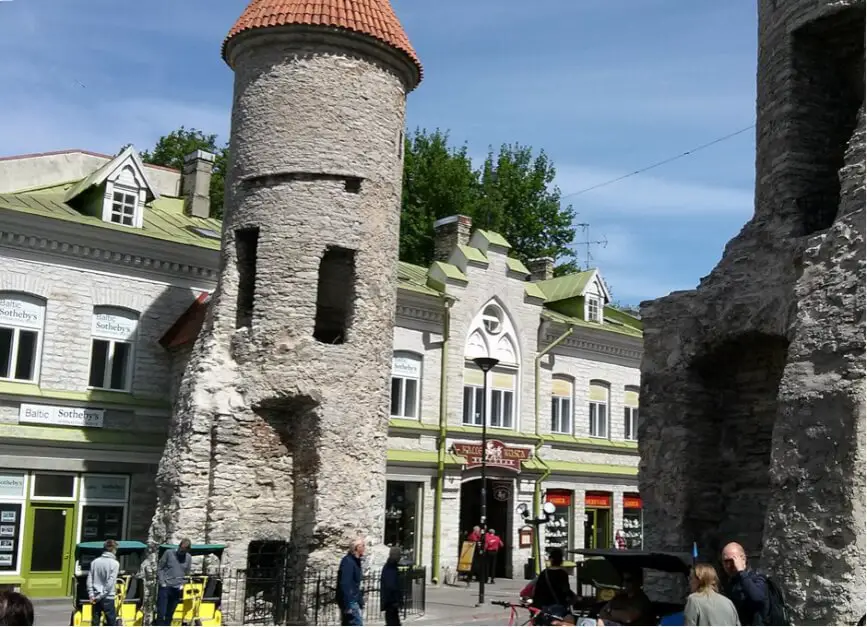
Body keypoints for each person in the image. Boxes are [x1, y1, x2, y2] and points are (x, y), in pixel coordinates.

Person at [721, 542, 767, 626]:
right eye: (725, 562)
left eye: (731, 561)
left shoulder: (757, 577)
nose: (728, 566)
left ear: (743, 559)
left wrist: (741, 572)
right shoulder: (729, 581)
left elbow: (757, 598)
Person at [530, 548, 575, 626]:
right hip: (558, 607)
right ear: (561, 560)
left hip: (543, 607)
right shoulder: (562, 574)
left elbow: (537, 592)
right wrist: (574, 597)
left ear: (550, 559)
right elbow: (565, 590)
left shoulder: (544, 573)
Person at [155, 538, 192, 626]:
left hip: (177, 588)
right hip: (165, 587)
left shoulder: (188, 557)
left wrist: (182, 584)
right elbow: (160, 568)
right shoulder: (168, 553)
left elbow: (187, 573)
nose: (181, 552)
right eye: (180, 550)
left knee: (170, 613)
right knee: (161, 613)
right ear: (179, 546)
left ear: (187, 550)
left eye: (183, 552)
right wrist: (162, 582)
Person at [86, 539, 119, 627]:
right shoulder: (115, 563)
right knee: (111, 621)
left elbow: (90, 579)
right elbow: (110, 582)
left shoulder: (94, 562)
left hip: (95, 596)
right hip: (108, 596)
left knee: (95, 621)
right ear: (114, 550)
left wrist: (91, 594)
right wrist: (102, 595)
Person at [337, 538, 366, 626]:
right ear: (357, 548)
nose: (365, 548)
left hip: (354, 600)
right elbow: (345, 584)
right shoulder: (348, 562)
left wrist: (360, 601)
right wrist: (348, 605)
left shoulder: (356, 561)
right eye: (363, 546)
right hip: (350, 601)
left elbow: (356, 584)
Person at [380, 546, 403, 626]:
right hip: (391, 604)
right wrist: (396, 600)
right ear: (395, 555)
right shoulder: (390, 568)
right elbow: (391, 586)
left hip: (391, 604)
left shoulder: (391, 566)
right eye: (399, 555)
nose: (400, 557)